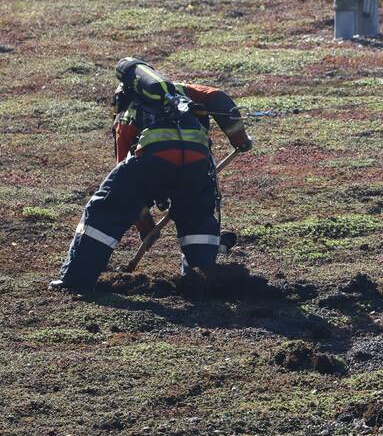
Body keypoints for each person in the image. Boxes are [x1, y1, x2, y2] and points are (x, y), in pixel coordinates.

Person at [49, 58, 253, 292]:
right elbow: (219, 98)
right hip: (198, 163)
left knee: (105, 210)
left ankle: (75, 281)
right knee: (197, 217)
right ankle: (201, 279)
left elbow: (128, 189)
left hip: (152, 162)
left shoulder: (128, 112)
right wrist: (240, 141)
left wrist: (145, 226)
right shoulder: (182, 91)